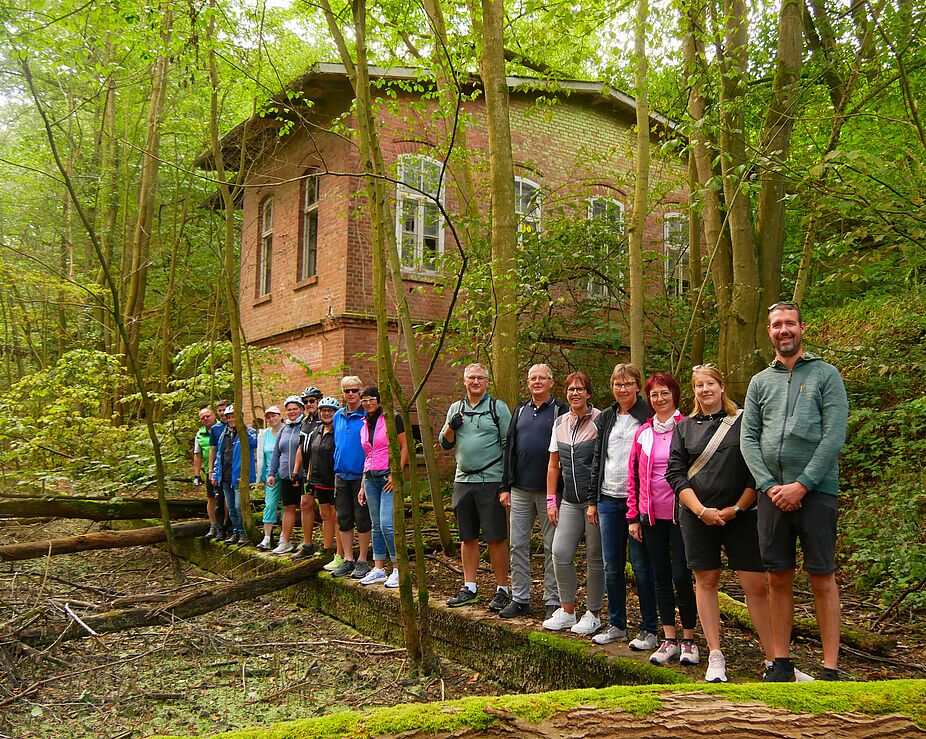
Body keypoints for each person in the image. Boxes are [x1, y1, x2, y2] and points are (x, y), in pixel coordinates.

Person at [742, 301, 849, 682]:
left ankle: (831, 667)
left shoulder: (826, 375)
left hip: (817, 491)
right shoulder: (760, 382)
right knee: (777, 577)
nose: (783, 330)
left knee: (822, 575)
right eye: (775, 325)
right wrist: (770, 486)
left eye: (789, 323)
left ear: (802, 328)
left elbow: (833, 435)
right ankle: (781, 662)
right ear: (769, 332)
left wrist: (803, 484)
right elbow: (748, 438)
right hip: (771, 495)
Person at [666, 364, 775, 682]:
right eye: (699, 385)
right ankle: (715, 653)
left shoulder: (743, 421)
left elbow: (758, 467)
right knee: (706, 581)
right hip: (697, 516)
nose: (705, 390)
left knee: (756, 586)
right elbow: (675, 473)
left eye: (710, 383)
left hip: (742, 516)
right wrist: (701, 511)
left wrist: (738, 509)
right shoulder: (685, 428)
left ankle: (774, 658)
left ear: (721, 386)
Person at [586, 364, 660, 649]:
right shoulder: (606, 417)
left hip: (637, 503)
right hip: (607, 500)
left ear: (638, 386)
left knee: (642, 566)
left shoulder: (648, 415)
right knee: (611, 566)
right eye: (618, 384)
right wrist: (592, 501)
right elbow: (597, 460)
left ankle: (649, 628)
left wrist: (643, 505)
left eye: (628, 384)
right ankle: (616, 624)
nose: (622, 389)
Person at [627, 373, 697, 667]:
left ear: (675, 395)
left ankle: (690, 640)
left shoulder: (688, 427)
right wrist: (633, 516)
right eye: (654, 394)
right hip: (651, 515)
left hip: (682, 515)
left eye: (664, 393)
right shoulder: (643, 433)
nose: (659, 399)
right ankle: (668, 638)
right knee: (660, 576)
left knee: (682, 575)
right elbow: (633, 477)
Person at [440, 363, 512, 610]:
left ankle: (502, 588)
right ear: (464, 381)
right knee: (467, 536)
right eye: (471, 378)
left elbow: (508, 445)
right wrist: (452, 426)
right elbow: (445, 443)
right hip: (463, 481)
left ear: (487, 382)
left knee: (495, 537)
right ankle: (469, 586)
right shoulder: (455, 409)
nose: (476, 382)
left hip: (491, 480)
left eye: (480, 378)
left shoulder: (497, 407)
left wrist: (506, 484)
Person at [498, 364, 567, 619]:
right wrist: (505, 486)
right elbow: (510, 450)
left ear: (551, 382)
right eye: (532, 378)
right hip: (520, 489)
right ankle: (520, 598)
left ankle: (552, 600)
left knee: (552, 546)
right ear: (527, 383)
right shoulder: (520, 410)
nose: (537, 382)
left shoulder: (561, 410)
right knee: (517, 545)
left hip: (551, 492)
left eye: (542, 378)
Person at [543, 371, 603, 635]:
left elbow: (604, 463)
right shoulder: (560, 424)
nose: (575, 393)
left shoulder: (601, 420)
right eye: (570, 390)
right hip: (568, 500)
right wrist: (551, 500)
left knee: (594, 556)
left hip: (595, 502)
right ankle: (568, 611)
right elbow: (553, 465)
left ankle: (593, 613)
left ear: (589, 393)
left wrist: (596, 500)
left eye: (580, 389)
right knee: (560, 552)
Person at [357, 386, 409, 587]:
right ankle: (379, 568)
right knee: (376, 524)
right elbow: (367, 456)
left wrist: (397, 474)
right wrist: (362, 485)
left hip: (388, 477)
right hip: (370, 478)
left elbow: (404, 447)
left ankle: (398, 568)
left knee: (388, 523)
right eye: (364, 400)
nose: (367, 403)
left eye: (371, 399)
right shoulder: (364, 423)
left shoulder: (392, 418)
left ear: (379, 400)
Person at [330, 376, 372, 579]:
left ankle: (363, 560)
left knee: (362, 518)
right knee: (343, 518)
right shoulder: (338, 416)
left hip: (361, 475)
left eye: (354, 390)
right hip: (341, 474)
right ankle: (348, 558)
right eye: (347, 391)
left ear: (360, 391)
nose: (351, 394)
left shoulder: (367, 415)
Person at [295, 396, 340, 559]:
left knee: (336, 516)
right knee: (324, 514)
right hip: (317, 479)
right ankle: (327, 549)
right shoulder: (316, 430)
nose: (327, 413)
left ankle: (339, 553)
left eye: (330, 411)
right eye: (324, 410)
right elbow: (311, 456)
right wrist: (309, 479)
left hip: (333, 479)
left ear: (336, 413)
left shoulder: (339, 431)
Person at [211, 405, 257, 545]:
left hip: (239, 477)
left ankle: (243, 533)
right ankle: (236, 532)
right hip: (225, 476)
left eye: (233, 417)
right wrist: (215, 473)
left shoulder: (247, 432)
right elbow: (220, 455)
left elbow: (255, 442)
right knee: (231, 508)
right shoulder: (224, 434)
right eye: (229, 417)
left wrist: (243, 429)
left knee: (238, 506)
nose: (231, 419)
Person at [268, 396, 307, 555]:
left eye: (295, 409)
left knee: (306, 508)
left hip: (303, 476)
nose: (292, 412)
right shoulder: (284, 429)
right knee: (288, 507)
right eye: (289, 409)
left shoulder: (305, 426)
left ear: (301, 409)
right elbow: (276, 453)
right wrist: (271, 473)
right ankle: (285, 541)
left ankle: (306, 541)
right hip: (285, 476)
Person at [255, 406, 282, 550]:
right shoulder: (263, 434)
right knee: (270, 504)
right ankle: (267, 538)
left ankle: (284, 537)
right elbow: (261, 455)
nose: (272, 419)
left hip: (285, 473)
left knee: (287, 506)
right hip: (270, 476)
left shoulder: (285, 430)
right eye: (269, 417)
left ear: (280, 416)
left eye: (274, 416)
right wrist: (261, 476)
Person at [193, 407, 220, 540]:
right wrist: (196, 475)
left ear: (214, 415)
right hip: (210, 471)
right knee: (211, 498)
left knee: (224, 498)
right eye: (203, 417)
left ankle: (226, 525)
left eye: (208, 416)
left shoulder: (223, 428)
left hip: (224, 469)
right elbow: (197, 455)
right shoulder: (200, 434)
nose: (206, 418)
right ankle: (213, 525)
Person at [207, 399, 230, 538]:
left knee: (230, 501)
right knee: (218, 499)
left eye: (224, 410)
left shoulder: (236, 425)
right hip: (219, 469)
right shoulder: (215, 428)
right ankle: (219, 528)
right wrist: (211, 471)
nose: (222, 413)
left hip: (232, 469)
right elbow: (213, 449)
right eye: (219, 411)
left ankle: (230, 527)